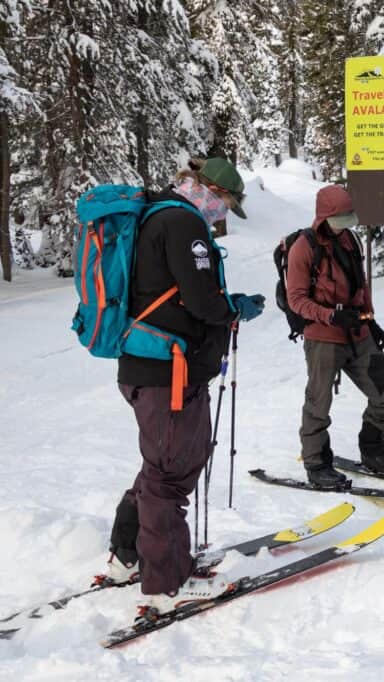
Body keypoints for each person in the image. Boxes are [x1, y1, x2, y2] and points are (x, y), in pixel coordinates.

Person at [105, 158, 265, 613]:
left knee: (160, 465)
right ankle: (169, 582)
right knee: (171, 474)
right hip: (168, 373)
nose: (223, 213)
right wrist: (231, 309)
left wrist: (226, 305)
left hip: (151, 367)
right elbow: (199, 300)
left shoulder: (161, 216)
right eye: (226, 203)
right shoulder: (182, 222)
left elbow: (179, 293)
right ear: (210, 190)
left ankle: (128, 557)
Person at [286, 184, 384, 487]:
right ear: (323, 216)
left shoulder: (350, 240)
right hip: (323, 337)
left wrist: (371, 321)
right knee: (319, 403)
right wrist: (330, 315)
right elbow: (296, 299)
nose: (344, 224)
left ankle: (373, 451)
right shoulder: (303, 247)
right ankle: (316, 463)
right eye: (339, 218)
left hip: (357, 332)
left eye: (348, 217)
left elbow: (360, 285)